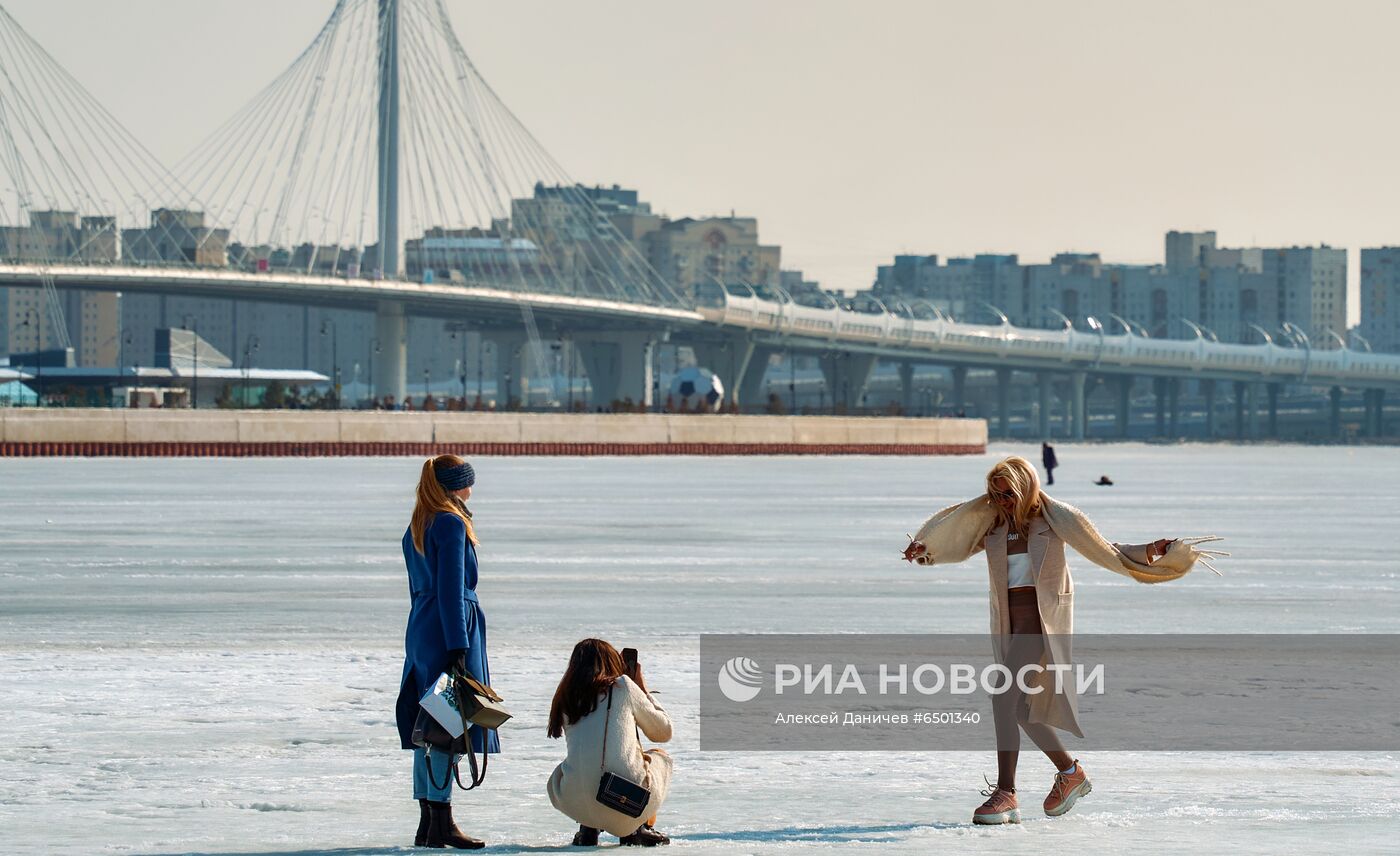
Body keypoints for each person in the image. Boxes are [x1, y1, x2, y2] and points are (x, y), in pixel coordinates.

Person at [901, 456, 1225, 825]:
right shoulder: (992, 525)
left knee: (1003, 696)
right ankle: (1070, 773)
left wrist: (1148, 550)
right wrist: (926, 550)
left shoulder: (1053, 521)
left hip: (1042, 622)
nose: (1002, 501)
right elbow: (957, 540)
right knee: (1021, 709)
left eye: (1008, 494)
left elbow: (1101, 547)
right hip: (1011, 623)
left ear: (1024, 488)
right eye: (996, 494)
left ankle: (1006, 792)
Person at [394, 455, 498, 849]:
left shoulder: (418, 523)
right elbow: (453, 589)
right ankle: (442, 822)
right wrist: (458, 644)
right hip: (449, 626)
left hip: (421, 626)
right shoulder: (451, 523)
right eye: (468, 481)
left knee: (428, 723)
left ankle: (428, 822)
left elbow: (418, 589)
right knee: (448, 724)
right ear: (457, 484)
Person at [547, 639, 674, 847]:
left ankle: (587, 828)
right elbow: (663, 731)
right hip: (624, 803)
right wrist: (641, 687)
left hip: (575, 802)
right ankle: (638, 828)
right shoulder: (622, 686)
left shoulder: (565, 695)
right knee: (660, 756)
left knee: (580, 764)